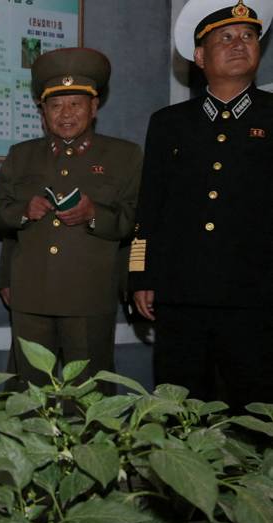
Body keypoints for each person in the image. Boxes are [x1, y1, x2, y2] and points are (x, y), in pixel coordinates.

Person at [130, 0, 273, 408]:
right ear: (199, 56)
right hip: (181, 297)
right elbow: (150, 206)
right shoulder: (169, 123)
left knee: (257, 414)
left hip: (256, 299)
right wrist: (142, 276)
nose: (239, 44)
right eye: (224, 38)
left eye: (248, 36)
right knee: (180, 412)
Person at [0, 48, 142, 388]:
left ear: (94, 106)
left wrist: (93, 215)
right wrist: (23, 213)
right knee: (27, 391)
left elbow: (135, 221)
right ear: (42, 112)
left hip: (89, 294)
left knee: (89, 394)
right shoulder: (21, 156)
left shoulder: (124, 156)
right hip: (30, 292)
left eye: (75, 103)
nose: (66, 113)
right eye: (56, 105)